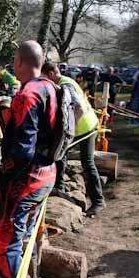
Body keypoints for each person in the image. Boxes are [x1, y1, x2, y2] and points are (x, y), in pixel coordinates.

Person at [0, 40, 58, 278]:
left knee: (5, 247)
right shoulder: (50, 87)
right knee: (21, 242)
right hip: (47, 174)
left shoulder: (27, 95)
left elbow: (20, 152)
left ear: (19, 62)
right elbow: (44, 132)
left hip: (26, 180)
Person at [42, 61, 106, 217]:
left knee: (87, 163)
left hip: (85, 127)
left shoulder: (66, 85)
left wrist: (70, 129)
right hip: (83, 127)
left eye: (45, 78)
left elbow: (80, 108)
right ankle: (59, 188)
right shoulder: (64, 81)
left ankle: (98, 202)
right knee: (60, 154)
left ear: (51, 74)